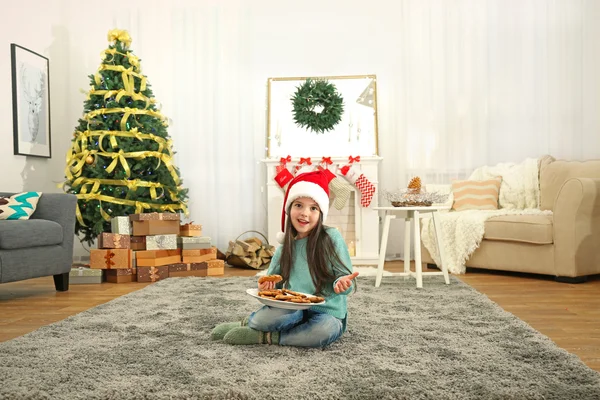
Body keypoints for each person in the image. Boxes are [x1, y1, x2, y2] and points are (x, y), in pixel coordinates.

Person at [211, 170, 359, 347]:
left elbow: (348, 283)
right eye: (299, 205)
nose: (305, 213)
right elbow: (273, 284)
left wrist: (342, 284)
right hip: (293, 309)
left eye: (313, 208)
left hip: (327, 312)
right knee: (265, 318)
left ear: (321, 215)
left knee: (323, 331)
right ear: (289, 209)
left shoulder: (331, 238)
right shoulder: (285, 247)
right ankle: (249, 323)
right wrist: (267, 286)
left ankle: (265, 337)